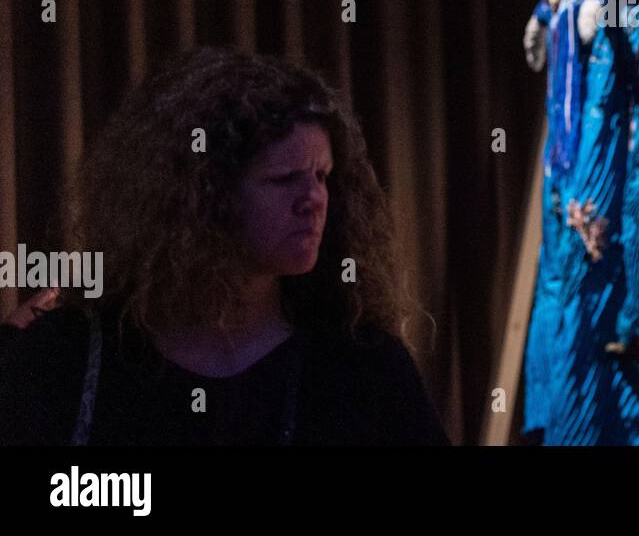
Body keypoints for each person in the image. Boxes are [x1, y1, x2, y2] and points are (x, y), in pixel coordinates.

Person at [0, 46, 448, 445]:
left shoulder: (359, 367)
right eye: (283, 178)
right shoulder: (68, 357)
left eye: (322, 176)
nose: (314, 200)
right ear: (200, 196)